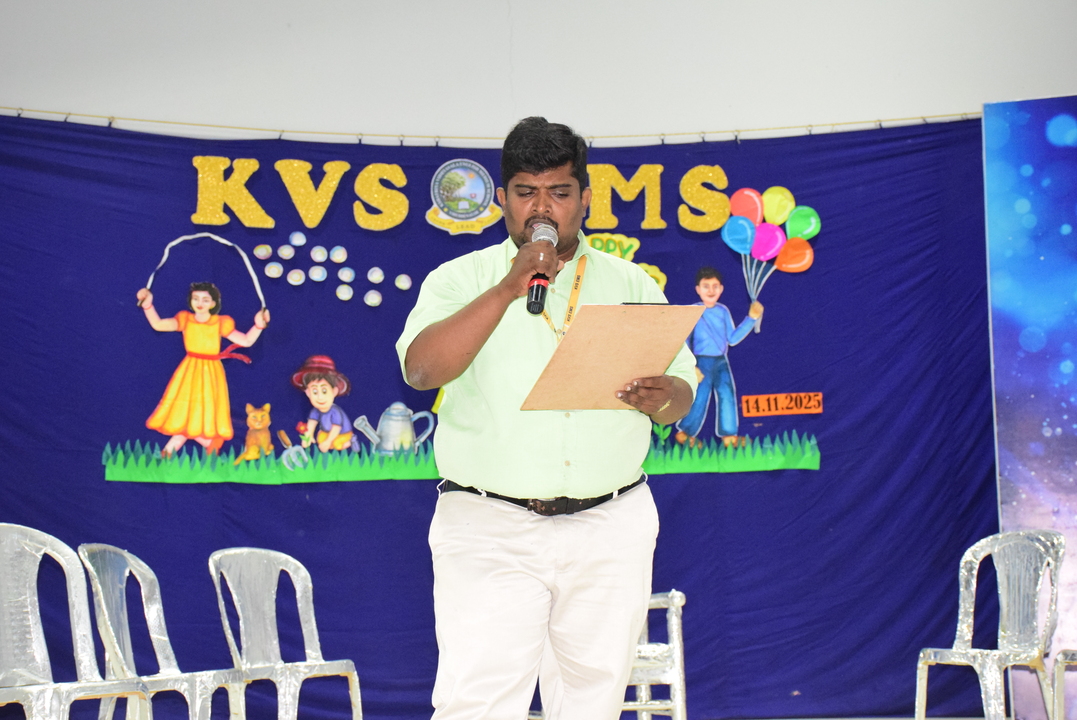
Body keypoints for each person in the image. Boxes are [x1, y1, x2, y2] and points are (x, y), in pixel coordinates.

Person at [395, 117, 698, 720]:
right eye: (526, 192)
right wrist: (508, 288)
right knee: (477, 702)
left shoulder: (631, 281)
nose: (543, 208)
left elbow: (680, 394)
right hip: (490, 523)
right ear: (503, 199)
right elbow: (422, 371)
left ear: (585, 200)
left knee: (593, 701)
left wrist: (664, 397)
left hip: (611, 522)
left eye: (559, 192)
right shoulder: (461, 279)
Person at [137, 282, 269, 456]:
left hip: (210, 373)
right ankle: (202, 445)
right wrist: (147, 305)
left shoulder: (220, 323)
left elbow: (246, 341)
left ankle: (169, 453)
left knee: (200, 411)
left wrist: (258, 325)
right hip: (188, 371)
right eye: (196, 298)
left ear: (213, 303)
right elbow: (159, 324)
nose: (200, 303)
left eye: (205, 300)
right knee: (185, 410)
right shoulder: (185, 319)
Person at [674, 267, 763, 448]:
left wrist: (751, 318)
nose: (711, 291)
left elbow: (733, 339)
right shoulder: (693, 311)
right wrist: (691, 365)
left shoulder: (723, 311)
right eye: (706, 286)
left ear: (721, 289)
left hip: (721, 361)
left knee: (727, 395)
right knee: (700, 396)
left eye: (715, 286)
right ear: (698, 289)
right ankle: (685, 433)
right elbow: (684, 341)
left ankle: (729, 435)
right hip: (700, 361)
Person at [291, 354, 357, 452]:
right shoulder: (315, 411)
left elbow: (336, 428)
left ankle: (351, 440)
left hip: (343, 433)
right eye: (314, 392)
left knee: (337, 444)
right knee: (320, 439)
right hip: (326, 432)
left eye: (324, 391)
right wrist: (308, 437)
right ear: (308, 393)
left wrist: (328, 441)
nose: (320, 397)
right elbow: (311, 423)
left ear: (334, 391)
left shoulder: (335, 411)